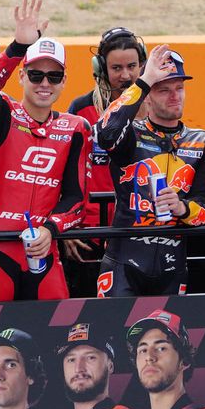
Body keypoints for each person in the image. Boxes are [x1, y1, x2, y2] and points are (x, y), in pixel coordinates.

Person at [0, 0, 92, 301]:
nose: (44, 83)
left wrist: (51, 229)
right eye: (35, 75)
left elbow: (77, 199)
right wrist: (16, 49)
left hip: (44, 252)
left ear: (64, 82)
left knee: (59, 338)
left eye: (54, 76)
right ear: (21, 76)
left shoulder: (75, 128)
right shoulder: (3, 113)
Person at [93, 43, 205, 297]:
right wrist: (143, 81)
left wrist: (182, 207)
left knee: (167, 338)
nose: (174, 96)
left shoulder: (204, 142)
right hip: (122, 264)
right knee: (112, 335)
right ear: (147, 96)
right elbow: (105, 133)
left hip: (173, 266)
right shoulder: (130, 134)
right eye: (163, 90)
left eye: (179, 88)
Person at [65, 27, 146, 295]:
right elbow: (64, 170)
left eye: (132, 66)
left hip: (142, 233)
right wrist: (69, 226)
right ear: (101, 69)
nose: (126, 75)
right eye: (117, 68)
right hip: (89, 236)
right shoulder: (82, 109)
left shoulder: (157, 104)